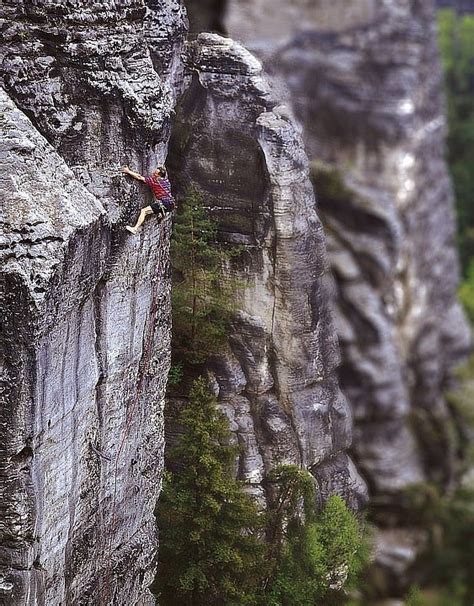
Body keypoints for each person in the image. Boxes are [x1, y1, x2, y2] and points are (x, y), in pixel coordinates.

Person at [122, 165, 175, 234]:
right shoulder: (167, 181)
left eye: (155, 173)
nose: (153, 174)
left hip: (164, 203)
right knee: (160, 207)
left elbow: (139, 177)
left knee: (144, 211)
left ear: (159, 175)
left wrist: (128, 171)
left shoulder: (154, 181)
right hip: (170, 204)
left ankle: (135, 228)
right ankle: (161, 214)